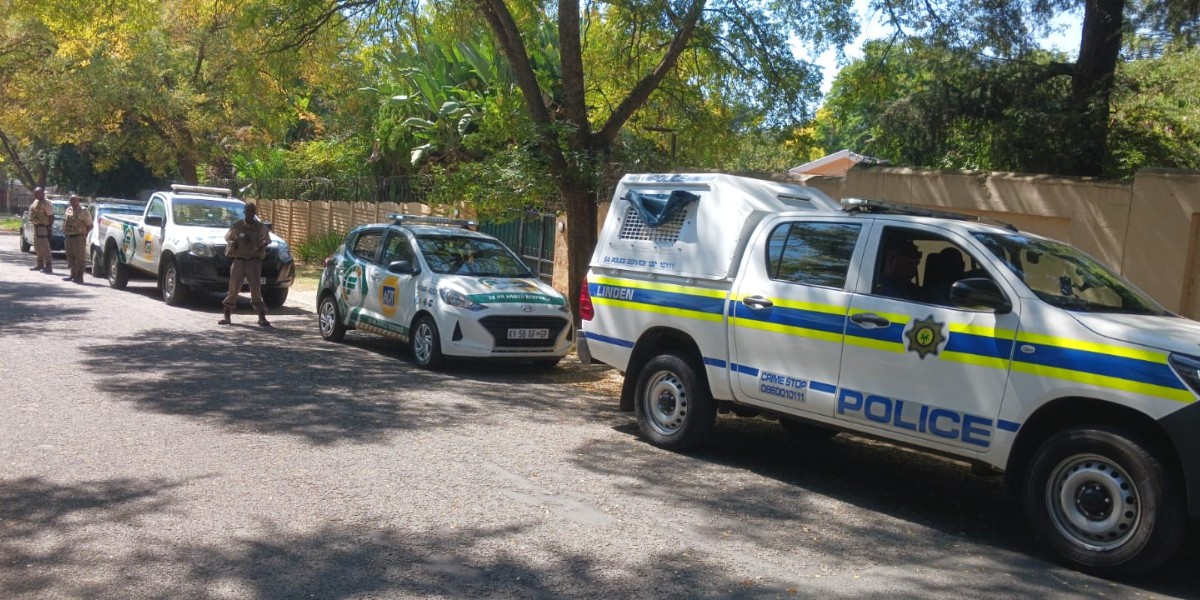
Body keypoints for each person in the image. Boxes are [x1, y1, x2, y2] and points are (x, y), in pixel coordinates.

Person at [220, 202, 271, 327]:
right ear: (244, 212)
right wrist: (235, 241)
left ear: (255, 212)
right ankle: (227, 315)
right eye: (248, 210)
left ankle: (261, 316)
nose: (250, 213)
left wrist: (261, 245)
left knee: (255, 290)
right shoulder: (237, 225)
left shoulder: (261, 227)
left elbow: (268, 240)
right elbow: (228, 238)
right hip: (239, 260)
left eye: (252, 211)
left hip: (254, 261)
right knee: (233, 289)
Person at [61, 194, 92, 283]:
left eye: (75, 200)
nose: (73, 202)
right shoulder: (68, 210)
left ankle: (80, 276)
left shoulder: (84, 211)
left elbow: (90, 225)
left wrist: (85, 236)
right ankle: (72, 275)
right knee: (70, 257)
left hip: (79, 237)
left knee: (80, 258)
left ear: (78, 201)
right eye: (71, 200)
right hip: (68, 236)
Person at [27, 187, 56, 273]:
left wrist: (50, 227)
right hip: (36, 227)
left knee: (45, 247)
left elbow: (51, 216)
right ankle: (39, 265)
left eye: (38, 193)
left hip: (43, 227)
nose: (36, 195)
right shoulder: (36, 202)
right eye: (35, 193)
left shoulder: (46, 203)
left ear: (42, 193)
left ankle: (48, 265)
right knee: (37, 246)